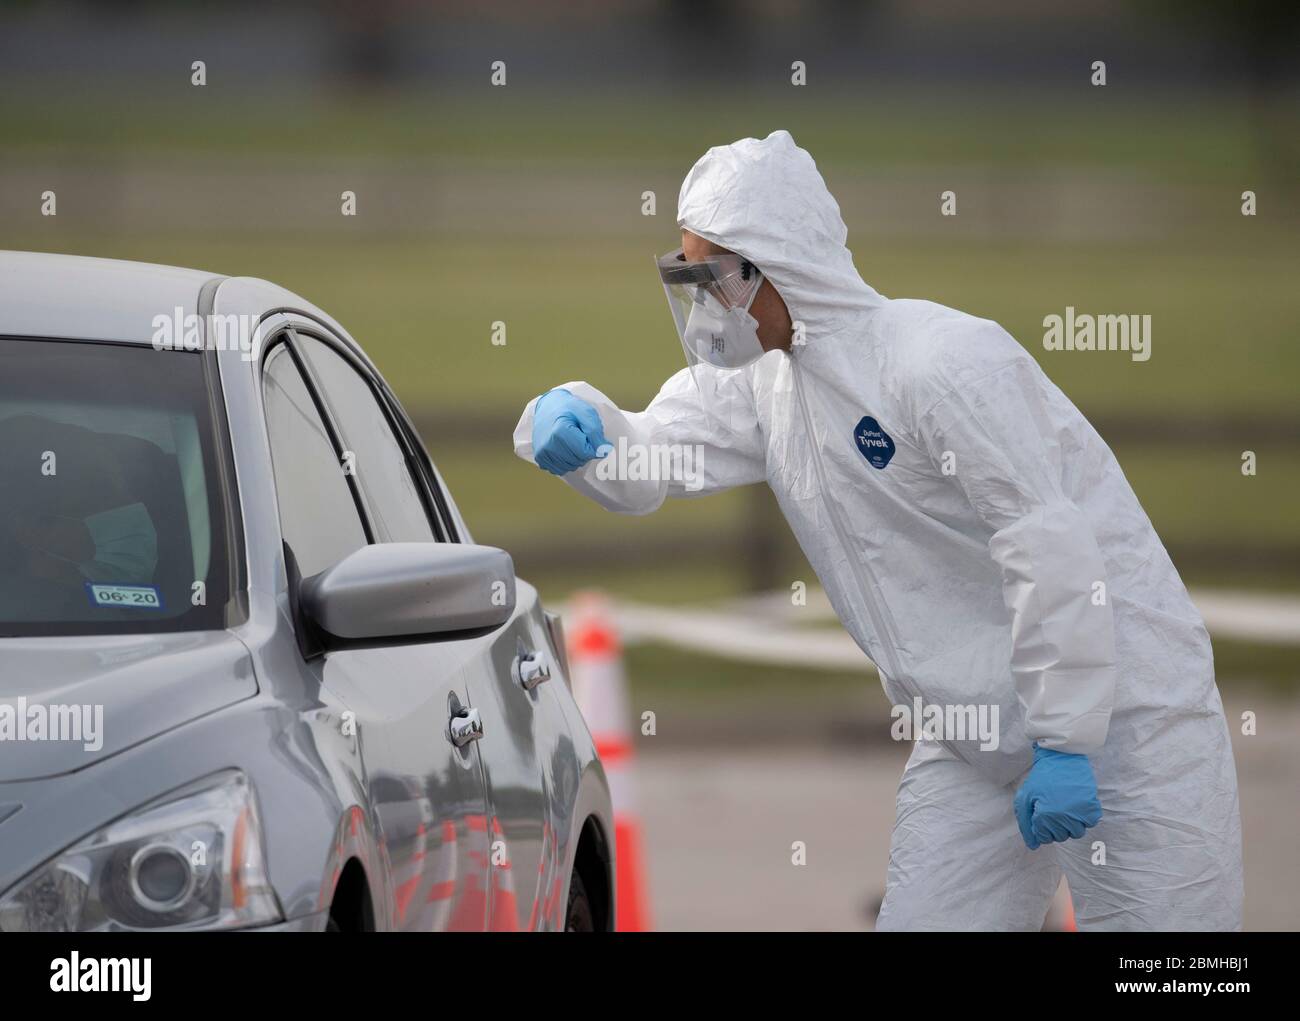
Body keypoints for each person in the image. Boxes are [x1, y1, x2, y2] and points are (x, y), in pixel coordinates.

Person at [513, 130, 1243, 931]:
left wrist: (1067, 738)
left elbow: (1048, 548)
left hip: (1125, 716)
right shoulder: (771, 387)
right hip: (975, 737)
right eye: (686, 278)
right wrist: (582, 432)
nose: (702, 306)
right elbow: (656, 454)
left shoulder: (937, 363)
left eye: (711, 277)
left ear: (776, 262)